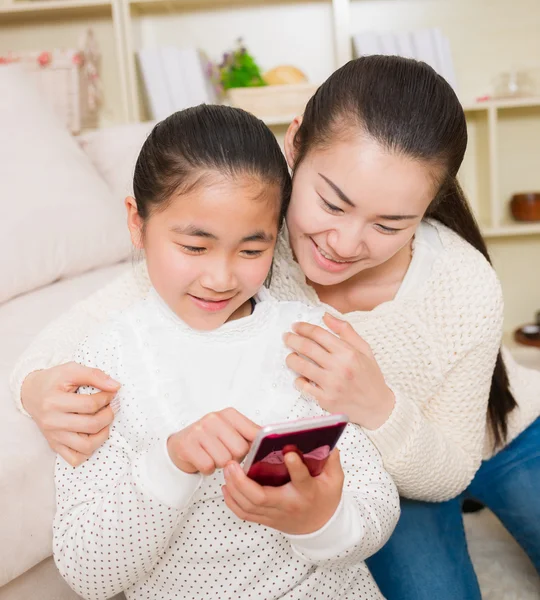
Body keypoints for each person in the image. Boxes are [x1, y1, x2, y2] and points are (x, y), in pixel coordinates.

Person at [12, 56, 540, 599]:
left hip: (490, 433)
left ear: (427, 208)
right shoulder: (249, 232)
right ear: (295, 146)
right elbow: (93, 326)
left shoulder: (461, 283)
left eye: (389, 224)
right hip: (382, 476)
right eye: (332, 203)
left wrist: (376, 404)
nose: (344, 242)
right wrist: (37, 388)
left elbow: (449, 470)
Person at [52, 104, 399, 600]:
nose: (221, 279)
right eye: (195, 247)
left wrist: (321, 521)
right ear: (137, 223)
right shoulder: (105, 366)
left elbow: (376, 505)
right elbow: (88, 572)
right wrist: (170, 464)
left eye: (252, 251)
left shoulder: (309, 341)